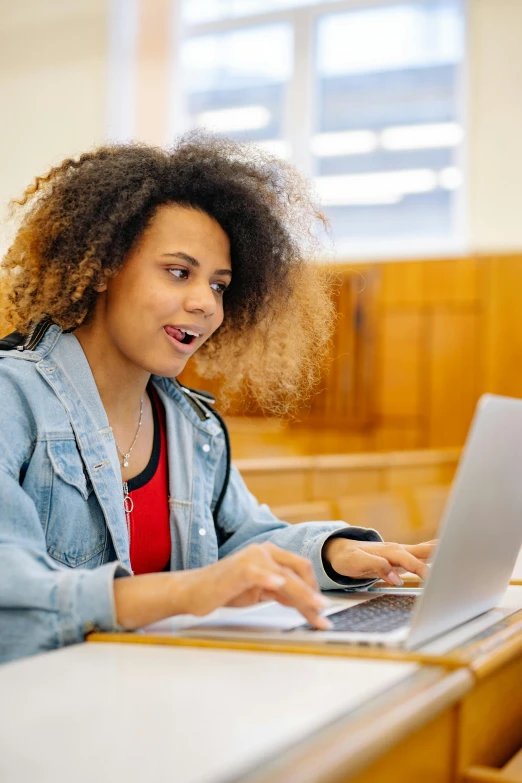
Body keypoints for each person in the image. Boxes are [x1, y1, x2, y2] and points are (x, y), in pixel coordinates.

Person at [0, 133, 434, 663]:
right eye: (179, 272)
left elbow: (240, 540)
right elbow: (12, 598)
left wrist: (337, 554)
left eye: (220, 285)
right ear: (103, 268)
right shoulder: (12, 400)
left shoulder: (192, 426)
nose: (206, 303)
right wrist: (189, 590)